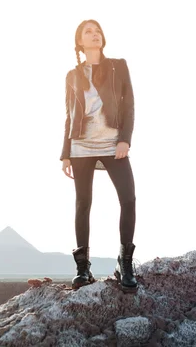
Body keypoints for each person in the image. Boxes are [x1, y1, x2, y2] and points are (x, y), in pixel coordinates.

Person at [60, 19, 138, 293]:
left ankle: (125, 263)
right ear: (80, 42)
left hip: (112, 144)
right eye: (88, 32)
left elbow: (128, 105)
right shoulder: (72, 75)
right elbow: (69, 116)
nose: (95, 35)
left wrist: (125, 139)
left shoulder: (118, 66)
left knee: (128, 199)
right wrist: (65, 153)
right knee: (83, 204)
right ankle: (83, 269)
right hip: (81, 146)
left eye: (97, 31)